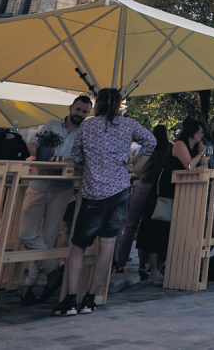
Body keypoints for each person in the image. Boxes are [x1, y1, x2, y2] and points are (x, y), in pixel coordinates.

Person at [53, 88, 156, 317]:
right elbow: (151, 140)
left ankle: (70, 300)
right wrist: (136, 167)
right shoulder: (128, 125)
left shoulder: (87, 126)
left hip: (95, 192)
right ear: (118, 105)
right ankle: (90, 299)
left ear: (97, 104)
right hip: (120, 190)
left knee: (79, 245)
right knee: (107, 245)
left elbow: (78, 157)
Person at [20, 95, 92, 305]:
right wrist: (45, 157)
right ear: (71, 108)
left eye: (85, 112)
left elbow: (82, 158)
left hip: (63, 187)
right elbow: (31, 144)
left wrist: (67, 162)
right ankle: (53, 271)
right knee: (26, 235)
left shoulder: (85, 133)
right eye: (78, 109)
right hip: (39, 181)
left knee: (48, 237)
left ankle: (28, 287)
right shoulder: (51, 125)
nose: (80, 114)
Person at [137, 117, 205, 286]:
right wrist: (200, 155)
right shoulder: (180, 145)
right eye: (201, 132)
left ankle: (159, 270)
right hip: (165, 192)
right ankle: (153, 271)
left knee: (169, 232)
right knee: (157, 231)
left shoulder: (196, 147)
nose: (203, 135)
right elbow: (190, 167)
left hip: (181, 193)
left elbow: (204, 167)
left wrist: (200, 156)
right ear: (193, 132)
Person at [114, 124, 170, 277]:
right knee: (148, 226)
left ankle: (121, 262)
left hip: (143, 185)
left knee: (131, 225)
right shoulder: (170, 149)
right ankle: (142, 264)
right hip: (159, 189)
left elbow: (135, 165)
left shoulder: (147, 148)